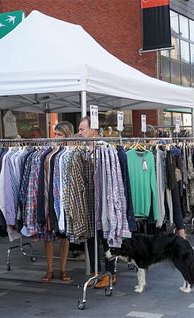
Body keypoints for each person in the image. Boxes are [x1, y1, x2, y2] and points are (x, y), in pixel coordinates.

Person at [78, 116, 116, 288]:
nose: (79, 133)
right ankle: (95, 272)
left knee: (106, 238)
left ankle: (110, 273)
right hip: (89, 202)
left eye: (82, 129)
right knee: (91, 238)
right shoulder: (82, 150)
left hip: (104, 200)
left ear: (93, 130)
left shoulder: (105, 149)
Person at [41, 121, 74, 283]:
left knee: (64, 235)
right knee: (48, 234)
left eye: (59, 134)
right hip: (48, 195)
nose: (56, 137)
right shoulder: (48, 152)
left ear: (67, 136)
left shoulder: (71, 153)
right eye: (55, 134)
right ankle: (49, 269)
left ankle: (62, 268)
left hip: (64, 196)